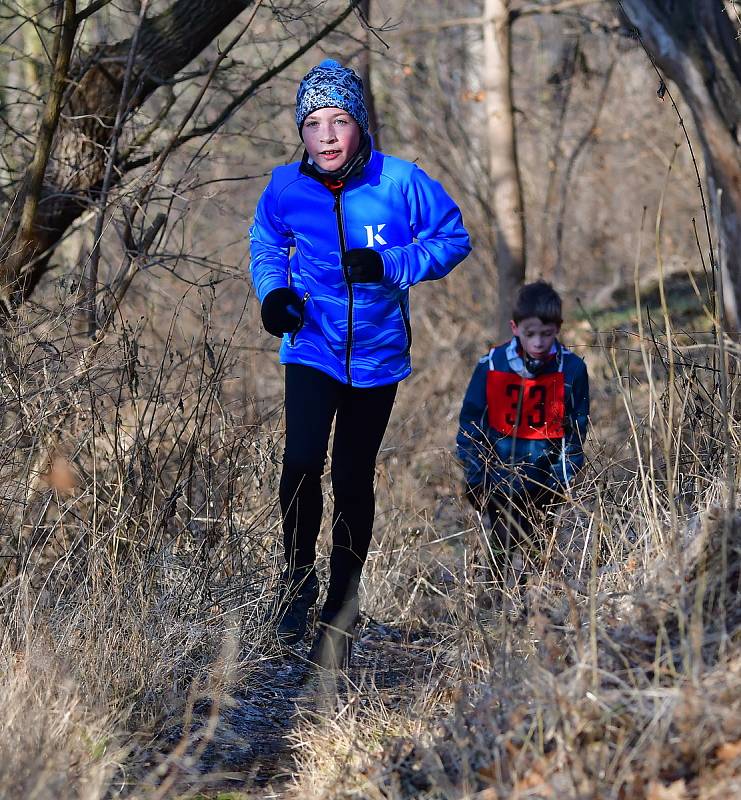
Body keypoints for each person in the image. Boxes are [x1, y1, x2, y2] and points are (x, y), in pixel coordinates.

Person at [249, 60, 471, 669]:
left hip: (376, 358)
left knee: (350, 477)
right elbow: (266, 243)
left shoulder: (400, 183)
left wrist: (392, 265)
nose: (325, 135)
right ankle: (296, 584)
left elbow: (453, 239)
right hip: (311, 347)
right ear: (301, 131)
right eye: (313, 122)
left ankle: (339, 613)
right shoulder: (285, 187)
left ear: (360, 126)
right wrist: (273, 296)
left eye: (339, 120)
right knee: (299, 463)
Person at [456, 281, 589, 586]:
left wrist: (563, 478)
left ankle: (534, 608)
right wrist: (476, 475)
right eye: (530, 335)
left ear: (558, 328)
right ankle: (494, 605)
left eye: (547, 334)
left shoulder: (572, 371)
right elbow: (471, 424)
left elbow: (576, 431)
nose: (539, 342)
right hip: (498, 475)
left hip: (545, 477)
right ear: (515, 328)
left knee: (537, 550)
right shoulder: (491, 366)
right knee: (501, 545)